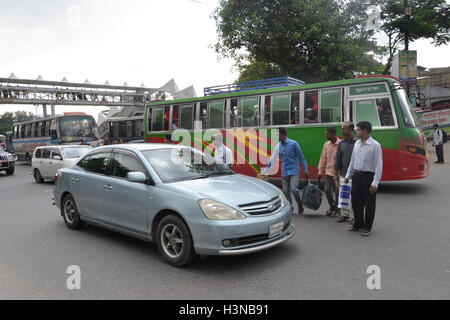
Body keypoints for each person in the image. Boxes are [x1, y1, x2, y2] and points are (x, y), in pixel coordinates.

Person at [345, 121, 383, 237]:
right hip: (357, 176)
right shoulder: (357, 144)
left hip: (368, 177)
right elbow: (352, 161)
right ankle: (358, 224)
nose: (356, 132)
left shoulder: (375, 145)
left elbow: (378, 165)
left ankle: (367, 227)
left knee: (369, 203)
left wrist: (375, 182)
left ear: (365, 131)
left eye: (358, 130)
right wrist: (348, 175)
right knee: (356, 201)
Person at [261, 127, 309, 214]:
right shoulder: (278, 146)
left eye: (277, 135)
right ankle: (290, 207)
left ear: (282, 134)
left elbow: (301, 157)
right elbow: (272, 159)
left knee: (294, 189)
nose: (276, 137)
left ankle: (299, 204)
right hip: (284, 172)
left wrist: (305, 169)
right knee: (285, 191)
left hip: (294, 170)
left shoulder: (294, 144)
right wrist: (264, 171)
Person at [334, 122, 356, 223]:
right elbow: (338, 160)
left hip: (355, 175)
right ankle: (344, 215)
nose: (342, 131)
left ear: (351, 130)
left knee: (354, 197)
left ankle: (353, 216)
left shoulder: (358, 143)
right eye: (342, 129)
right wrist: (335, 176)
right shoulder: (341, 144)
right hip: (343, 174)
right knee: (343, 196)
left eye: (344, 129)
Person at [318, 127, 341, 217]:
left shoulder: (340, 144)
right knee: (327, 190)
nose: (326, 135)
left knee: (337, 192)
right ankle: (332, 207)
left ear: (334, 134)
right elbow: (323, 159)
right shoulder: (326, 145)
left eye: (328, 134)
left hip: (338, 173)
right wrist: (320, 171)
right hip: (328, 172)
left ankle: (337, 209)